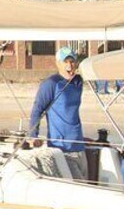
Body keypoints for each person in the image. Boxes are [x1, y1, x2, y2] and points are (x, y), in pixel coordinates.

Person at [29, 46, 87, 180]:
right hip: (62, 148)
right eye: (65, 62)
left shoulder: (78, 82)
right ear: (58, 64)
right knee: (80, 187)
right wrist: (33, 135)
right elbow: (37, 109)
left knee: (89, 183)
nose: (69, 65)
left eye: (72, 61)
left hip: (79, 145)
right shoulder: (51, 83)